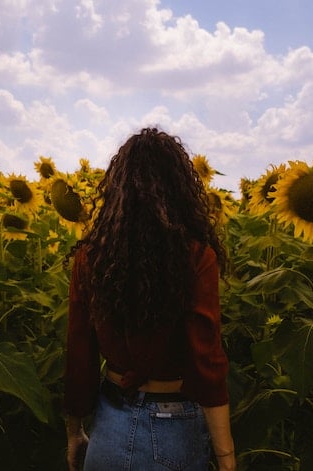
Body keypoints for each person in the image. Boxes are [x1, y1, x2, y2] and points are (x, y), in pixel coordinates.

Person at [63, 127, 236, 471]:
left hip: (109, 427)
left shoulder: (90, 258)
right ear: (181, 189)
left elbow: (79, 355)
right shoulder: (197, 258)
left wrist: (74, 433)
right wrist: (226, 456)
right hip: (174, 432)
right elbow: (207, 362)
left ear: (117, 190)